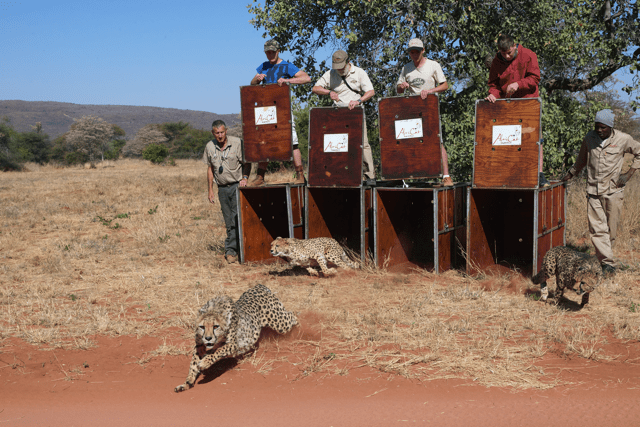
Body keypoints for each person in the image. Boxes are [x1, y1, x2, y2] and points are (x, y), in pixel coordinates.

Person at [562, 109, 640, 275]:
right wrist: (570, 174)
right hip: (593, 190)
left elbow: (639, 153)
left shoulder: (623, 139)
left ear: (611, 127)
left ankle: (604, 260)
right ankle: (607, 264)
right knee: (597, 229)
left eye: (603, 127)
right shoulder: (589, 138)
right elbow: (581, 160)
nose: (599, 130)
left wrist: (628, 174)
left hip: (613, 191)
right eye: (597, 126)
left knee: (610, 230)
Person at [484, 34, 548, 187]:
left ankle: (538, 174)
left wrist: (519, 84)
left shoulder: (528, 55)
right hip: (508, 105)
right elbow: (494, 85)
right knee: (509, 139)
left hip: (528, 102)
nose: (506, 56)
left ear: (514, 46)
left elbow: (535, 78)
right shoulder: (496, 61)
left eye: (509, 53)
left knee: (533, 138)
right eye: (502, 53)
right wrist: (492, 94)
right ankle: (511, 173)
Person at [249, 39, 311, 186]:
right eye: (267, 52)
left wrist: (288, 81)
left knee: (292, 141)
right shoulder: (263, 66)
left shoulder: (286, 65)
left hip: (283, 108)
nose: (270, 55)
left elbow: (306, 78)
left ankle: (300, 174)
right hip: (266, 108)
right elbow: (252, 84)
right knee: (264, 141)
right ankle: (260, 176)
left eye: (272, 52)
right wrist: (257, 79)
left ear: (278, 51)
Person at [311, 50, 376, 186]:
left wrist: (359, 100)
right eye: (337, 66)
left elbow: (371, 91)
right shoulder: (330, 74)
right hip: (337, 115)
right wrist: (329, 92)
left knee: (362, 144)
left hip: (355, 113)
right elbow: (315, 88)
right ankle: (341, 174)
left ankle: (370, 176)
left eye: (341, 65)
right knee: (338, 146)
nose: (339, 69)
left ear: (347, 62)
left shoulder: (359, 72)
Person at [396, 38, 453, 186]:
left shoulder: (433, 65)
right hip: (412, 111)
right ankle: (409, 178)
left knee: (436, 141)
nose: (414, 54)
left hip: (430, 108)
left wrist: (430, 91)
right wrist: (402, 86)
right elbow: (398, 90)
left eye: (417, 51)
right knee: (409, 142)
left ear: (423, 50)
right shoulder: (406, 68)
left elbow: (445, 85)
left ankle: (446, 176)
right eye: (411, 52)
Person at [202, 120, 251, 264]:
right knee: (229, 221)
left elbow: (247, 163)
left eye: (222, 132)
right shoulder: (209, 146)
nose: (220, 135)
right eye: (217, 133)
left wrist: (245, 178)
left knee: (237, 219)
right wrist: (210, 189)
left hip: (237, 186)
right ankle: (232, 251)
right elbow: (210, 168)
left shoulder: (237, 143)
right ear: (213, 133)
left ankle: (235, 250)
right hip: (222, 189)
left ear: (226, 131)